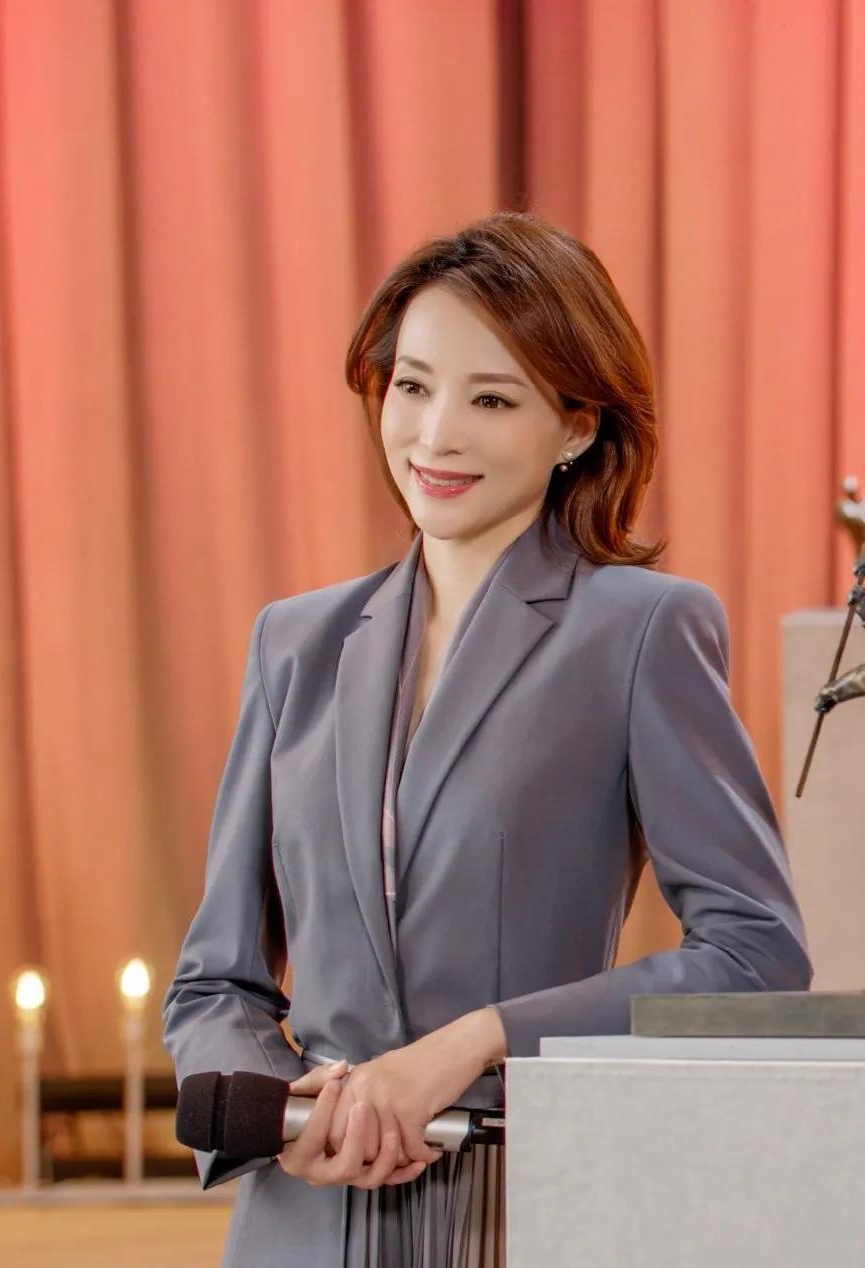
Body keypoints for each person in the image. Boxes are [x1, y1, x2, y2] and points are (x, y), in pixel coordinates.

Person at [161, 211, 812, 1267]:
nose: (436, 435)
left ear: (576, 427)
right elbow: (213, 984)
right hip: (301, 1220)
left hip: (521, 1204)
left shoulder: (641, 629)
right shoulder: (294, 644)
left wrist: (478, 1040)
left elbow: (755, 955)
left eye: (492, 399)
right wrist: (289, 1110)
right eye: (412, 385)